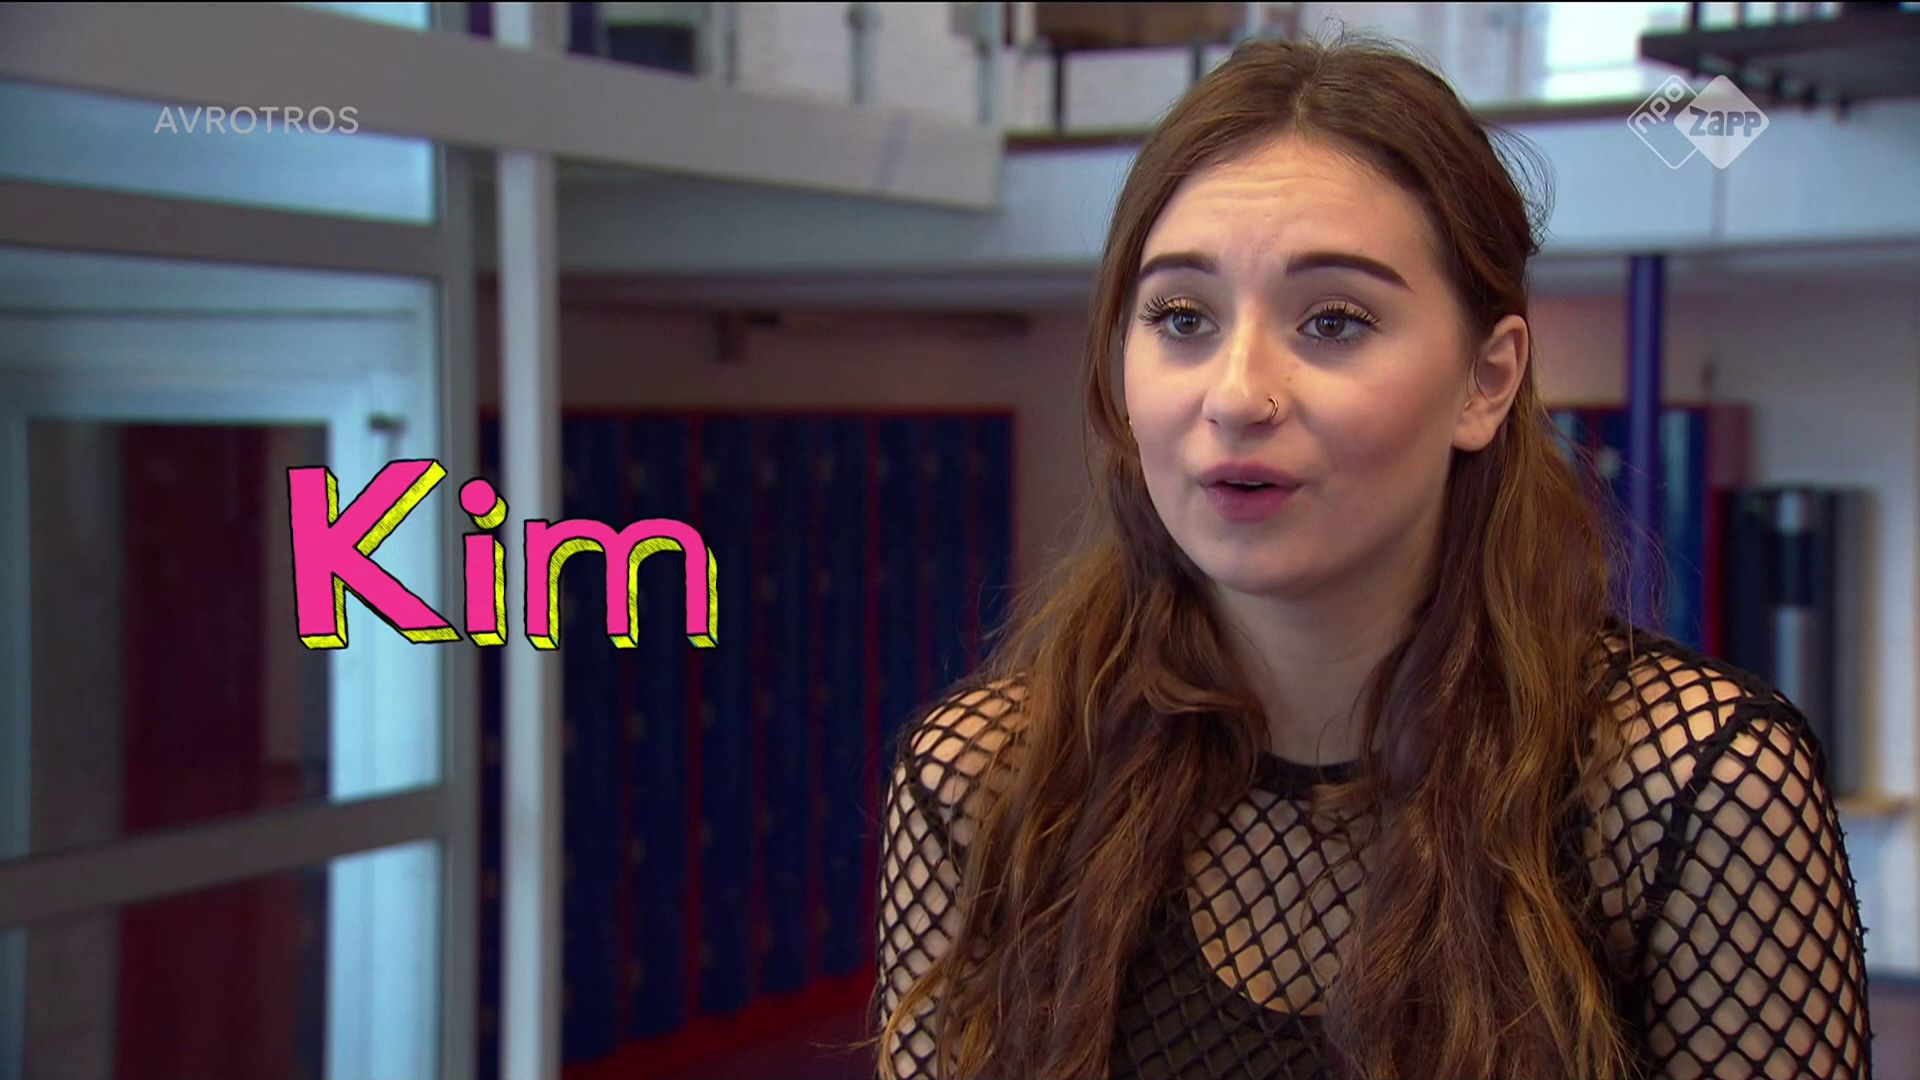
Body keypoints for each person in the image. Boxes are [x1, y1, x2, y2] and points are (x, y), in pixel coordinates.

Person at [867, 33, 1874, 1080]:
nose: (1236, 395)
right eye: (1182, 316)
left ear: (1486, 382)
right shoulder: (985, 783)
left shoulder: (1692, 788)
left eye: (1334, 322)